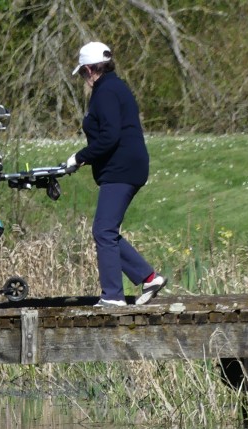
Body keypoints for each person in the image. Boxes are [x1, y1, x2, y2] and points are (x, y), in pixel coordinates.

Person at [64, 41, 167, 307]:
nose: (84, 80)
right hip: (125, 167)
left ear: (89, 69)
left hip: (121, 170)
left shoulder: (106, 91)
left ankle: (112, 296)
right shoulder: (115, 87)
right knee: (105, 231)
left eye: (83, 74)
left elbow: (110, 136)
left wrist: (79, 157)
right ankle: (149, 277)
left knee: (103, 230)